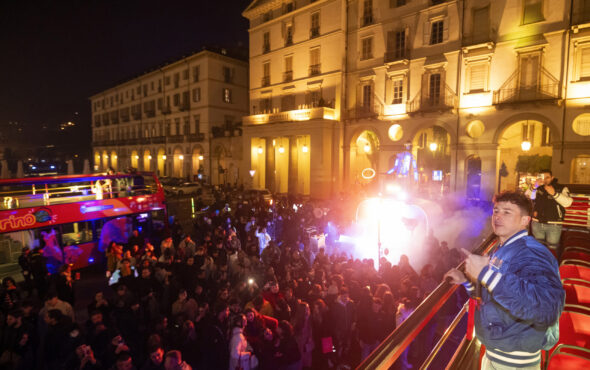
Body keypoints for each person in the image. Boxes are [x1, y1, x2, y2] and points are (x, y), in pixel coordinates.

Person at [445, 191, 564, 369]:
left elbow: (546, 308)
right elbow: (494, 295)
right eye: (496, 211)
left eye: (507, 212)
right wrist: (467, 281)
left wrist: (485, 274)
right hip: (496, 353)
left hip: (515, 361)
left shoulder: (532, 252)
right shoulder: (503, 249)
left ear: (525, 220)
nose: (498, 216)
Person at [531, 169, 572, 253]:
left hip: (554, 224)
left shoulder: (561, 188)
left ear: (552, 177)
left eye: (547, 177)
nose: (545, 180)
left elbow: (568, 203)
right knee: (537, 249)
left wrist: (555, 194)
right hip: (537, 222)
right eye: (543, 177)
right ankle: (539, 265)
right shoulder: (538, 188)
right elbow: (530, 197)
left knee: (552, 249)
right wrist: (534, 187)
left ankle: (551, 265)